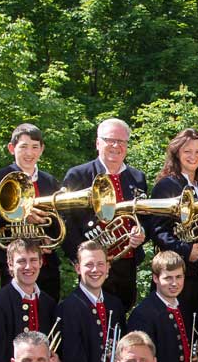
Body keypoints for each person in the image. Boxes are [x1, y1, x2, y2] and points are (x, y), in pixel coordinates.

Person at [60, 117, 149, 308]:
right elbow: (65, 222)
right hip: (94, 266)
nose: (116, 145)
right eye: (110, 140)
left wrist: (141, 233)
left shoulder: (137, 177)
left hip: (126, 263)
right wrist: (82, 258)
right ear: (98, 143)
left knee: (123, 313)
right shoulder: (79, 175)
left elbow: (144, 217)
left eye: (122, 141)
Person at [0, 123, 64, 300]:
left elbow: (58, 220)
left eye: (34, 147)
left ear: (41, 149)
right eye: (23, 147)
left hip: (46, 265)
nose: (29, 153)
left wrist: (48, 237)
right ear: (11, 148)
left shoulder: (49, 181)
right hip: (14, 266)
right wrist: (20, 213)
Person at [149, 128, 198, 316]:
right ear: (177, 153)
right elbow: (158, 230)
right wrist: (186, 251)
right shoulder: (166, 185)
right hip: (176, 273)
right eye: (187, 151)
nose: (193, 156)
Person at [56, 241, 127, 362]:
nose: (95, 270)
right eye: (88, 265)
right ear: (77, 268)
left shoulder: (115, 304)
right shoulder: (68, 308)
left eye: (100, 264)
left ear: (108, 267)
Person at [127, 250, 194, 362]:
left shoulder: (185, 307)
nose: (174, 283)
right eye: (168, 278)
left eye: (179, 277)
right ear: (156, 278)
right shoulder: (143, 314)